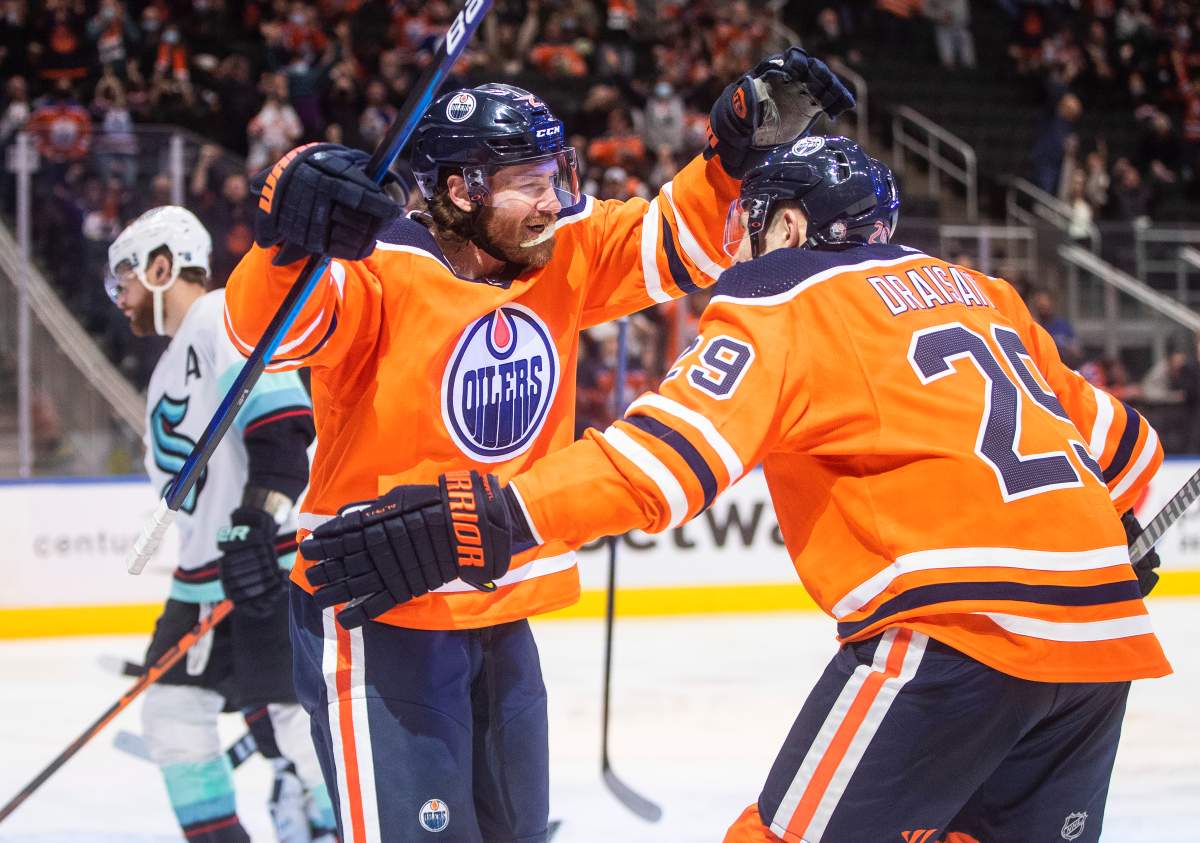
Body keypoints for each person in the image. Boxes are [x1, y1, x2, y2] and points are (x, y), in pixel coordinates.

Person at [301, 137, 1170, 843]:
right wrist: (1111, 531)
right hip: (1103, 643)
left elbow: (660, 462)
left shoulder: (786, 297)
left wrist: (488, 517)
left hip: (956, 638)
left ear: (788, 224)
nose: (739, 249)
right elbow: (1129, 451)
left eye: (751, 226)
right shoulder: (984, 293)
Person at [223, 51, 854, 843]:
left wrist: (730, 161)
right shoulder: (375, 268)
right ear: (463, 190)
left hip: (502, 609)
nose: (555, 199)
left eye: (558, 173)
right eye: (531, 181)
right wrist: (285, 242)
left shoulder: (562, 249)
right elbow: (265, 331)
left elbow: (677, 239)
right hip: (379, 612)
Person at [106, 206, 334, 843]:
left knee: (298, 727)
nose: (118, 295)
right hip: (204, 577)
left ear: (161, 268)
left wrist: (254, 524)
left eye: (123, 278)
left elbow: (284, 429)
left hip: (266, 561)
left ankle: (356, 822)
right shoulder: (167, 365)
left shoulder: (224, 316)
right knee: (173, 716)